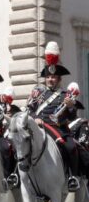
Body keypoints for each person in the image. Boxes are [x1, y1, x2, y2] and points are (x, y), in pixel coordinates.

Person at [27, 42, 83, 192]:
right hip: (37, 127)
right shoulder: (37, 94)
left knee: (71, 147)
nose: (50, 79)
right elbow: (29, 110)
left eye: (53, 77)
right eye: (48, 77)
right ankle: (14, 175)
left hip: (58, 129)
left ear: (59, 79)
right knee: (18, 144)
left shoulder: (66, 96)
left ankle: (72, 177)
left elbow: (72, 117)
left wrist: (71, 106)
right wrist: (34, 118)